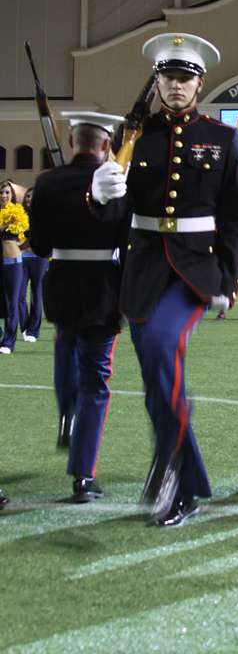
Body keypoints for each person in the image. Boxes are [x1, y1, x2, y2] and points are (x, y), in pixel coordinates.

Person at [90, 33, 238, 527]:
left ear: (199, 85)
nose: (176, 86)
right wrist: (98, 195)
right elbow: (112, 218)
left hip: (195, 270)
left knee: (161, 348)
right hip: (141, 269)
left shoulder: (223, 139)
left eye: (185, 78)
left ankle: (168, 468)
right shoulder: (133, 134)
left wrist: (231, 276)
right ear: (156, 81)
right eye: (168, 77)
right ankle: (188, 479)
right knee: (158, 378)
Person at [29, 113, 127, 502]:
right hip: (104, 284)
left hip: (63, 280)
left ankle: (66, 411)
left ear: (72, 143)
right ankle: (83, 475)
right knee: (97, 379)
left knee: (65, 346)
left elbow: (38, 245)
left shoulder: (48, 183)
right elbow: (126, 238)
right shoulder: (119, 185)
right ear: (105, 145)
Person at [0, 180, 29, 355]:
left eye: (7, 193)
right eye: (1, 193)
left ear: (13, 195)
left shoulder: (17, 212)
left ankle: (9, 342)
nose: (4, 196)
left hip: (12, 262)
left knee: (12, 302)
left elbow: (27, 237)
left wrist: (19, 247)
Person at [18, 187, 48, 343]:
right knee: (19, 295)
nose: (29, 199)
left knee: (36, 295)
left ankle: (33, 331)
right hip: (22, 259)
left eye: (32, 196)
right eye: (27, 197)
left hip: (39, 259)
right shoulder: (19, 215)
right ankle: (23, 327)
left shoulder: (44, 216)